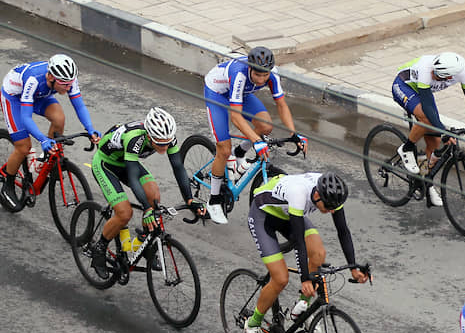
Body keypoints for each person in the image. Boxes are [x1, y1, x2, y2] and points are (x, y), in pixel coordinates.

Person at [243, 171, 369, 333]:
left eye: (335, 207)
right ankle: (252, 324)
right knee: (280, 279)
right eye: (328, 207)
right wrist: (305, 280)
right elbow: (299, 242)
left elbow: (343, 231)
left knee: (319, 253)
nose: (332, 211)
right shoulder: (298, 193)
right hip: (264, 216)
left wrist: (353, 268)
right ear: (317, 195)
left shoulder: (332, 194)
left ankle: (301, 308)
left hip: (289, 214)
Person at [88, 107, 205, 276]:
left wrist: (189, 200)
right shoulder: (135, 139)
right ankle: (99, 249)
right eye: (160, 142)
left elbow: (178, 167)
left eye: (167, 142)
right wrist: (147, 209)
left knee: (154, 196)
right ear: (149, 136)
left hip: (127, 162)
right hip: (106, 164)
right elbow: (133, 177)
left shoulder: (167, 138)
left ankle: (144, 242)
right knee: (124, 213)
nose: (165, 146)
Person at [203, 46, 307, 224]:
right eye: (257, 75)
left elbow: (281, 105)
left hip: (241, 93)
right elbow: (235, 117)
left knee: (265, 126)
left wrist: (294, 134)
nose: (261, 80)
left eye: (264, 76)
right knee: (223, 149)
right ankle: (213, 200)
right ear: (250, 68)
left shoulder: (272, 74)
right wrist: (256, 141)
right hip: (218, 93)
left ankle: (240, 153)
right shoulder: (240, 73)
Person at [390, 52, 465, 207]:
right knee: (427, 118)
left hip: (422, 91)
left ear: (448, 77)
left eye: (436, 75)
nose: (432, 73)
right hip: (404, 86)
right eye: (434, 71)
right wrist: (444, 131)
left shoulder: (462, 74)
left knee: (435, 143)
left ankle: (426, 181)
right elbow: (427, 107)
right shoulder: (426, 68)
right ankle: (407, 148)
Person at [0, 54, 100, 207]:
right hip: (14, 97)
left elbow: (79, 105)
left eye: (70, 84)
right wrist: (43, 139)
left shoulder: (67, 79)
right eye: (64, 85)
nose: (68, 88)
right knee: (23, 147)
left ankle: (46, 159)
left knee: (59, 119)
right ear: (51, 78)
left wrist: (91, 129)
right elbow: (26, 118)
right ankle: (8, 185)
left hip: (39, 95)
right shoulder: (33, 79)